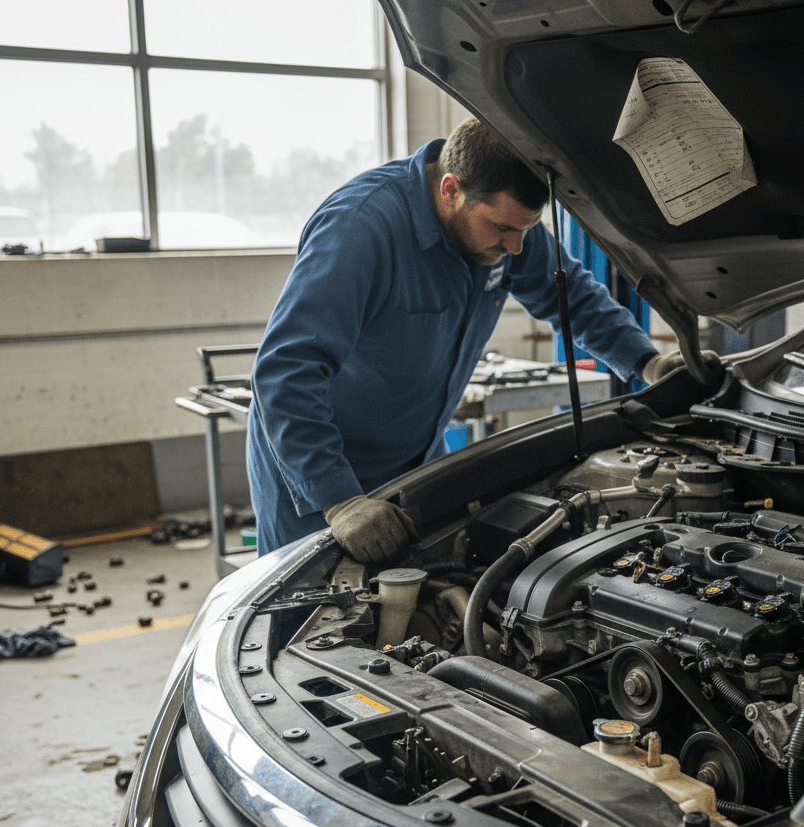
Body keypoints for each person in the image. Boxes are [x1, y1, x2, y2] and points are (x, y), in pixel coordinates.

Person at [247, 117, 691, 564]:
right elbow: (287, 368)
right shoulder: (361, 229)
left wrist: (647, 361)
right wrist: (339, 498)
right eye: (502, 230)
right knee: (308, 618)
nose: (517, 247)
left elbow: (571, 296)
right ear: (450, 190)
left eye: (527, 229)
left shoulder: (504, 227)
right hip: (318, 475)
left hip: (415, 463)